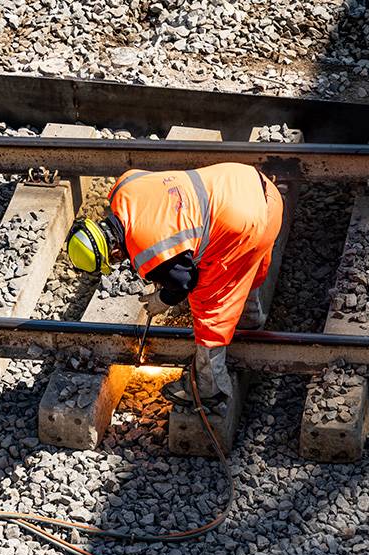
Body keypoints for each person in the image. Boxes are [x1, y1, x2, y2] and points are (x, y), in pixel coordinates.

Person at [65, 162, 283, 408]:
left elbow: (185, 281)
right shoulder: (124, 186)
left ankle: (209, 389)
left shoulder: (147, 251)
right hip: (259, 189)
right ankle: (250, 322)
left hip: (248, 226)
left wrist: (163, 300)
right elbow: (168, 215)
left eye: (115, 259)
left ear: (113, 250)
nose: (119, 260)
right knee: (239, 271)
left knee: (209, 303)